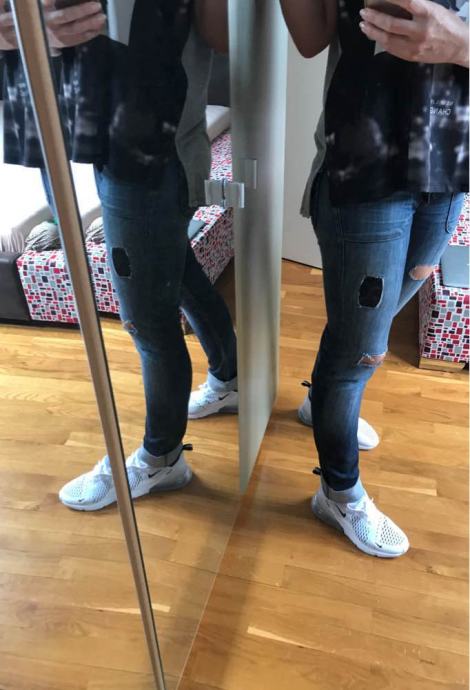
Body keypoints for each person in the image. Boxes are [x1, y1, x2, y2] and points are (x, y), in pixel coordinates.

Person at [1, 0, 239, 511]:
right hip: (58, 109)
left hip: (150, 144)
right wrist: (17, 28)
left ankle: (162, 458)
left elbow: (224, 36)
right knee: (177, 270)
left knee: (147, 321)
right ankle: (230, 378)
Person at [280, 0, 468, 557]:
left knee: (359, 335)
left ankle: (322, 400)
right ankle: (338, 492)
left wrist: (461, 42)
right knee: (360, 350)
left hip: (453, 160)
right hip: (363, 164)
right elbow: (311, 39)